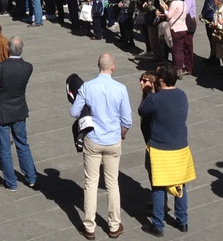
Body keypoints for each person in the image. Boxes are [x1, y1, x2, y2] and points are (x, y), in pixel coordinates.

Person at [70, 53, 132, 240]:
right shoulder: (121, 88)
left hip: (93, 140)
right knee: (112, 183)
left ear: (98, 66)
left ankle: (89, 226)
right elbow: (127, 120)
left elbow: (74, 112)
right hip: (113, 140)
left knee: (91, 183)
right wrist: (121, 134)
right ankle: (114, 225)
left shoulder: (87, 87)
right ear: (113, 67)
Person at [139, 63, 193, 237]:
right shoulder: (182, 95)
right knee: (180, 185)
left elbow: (142, 111)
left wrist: (149, 92)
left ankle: (158, 224)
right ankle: (182, 221)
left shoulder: (156, 98)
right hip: (180, 147)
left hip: (161, 148)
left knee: (158, 186)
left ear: (161, 80)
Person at [0, 36, 38, 191]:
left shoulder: (0, 67)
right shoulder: (28, 67)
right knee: (22, 143)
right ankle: (31, 177)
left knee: (4, 148)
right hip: (19, 110)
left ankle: (11, 183)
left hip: (2, 111)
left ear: (8, 49)